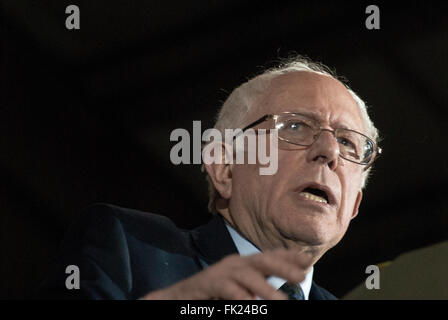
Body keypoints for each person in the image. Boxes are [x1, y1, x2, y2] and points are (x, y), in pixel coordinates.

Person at [37, 55, 381, 300]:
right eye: (295, 127)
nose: (329, 151)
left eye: (349, 142)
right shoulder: (130, 248)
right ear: (223, 167)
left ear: (354, 205)